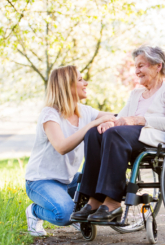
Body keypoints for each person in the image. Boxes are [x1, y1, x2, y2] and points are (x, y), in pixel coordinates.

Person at [71, 46, 165, 222]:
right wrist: (109, 122)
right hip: (130, 135)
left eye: (141, 66)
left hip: (153, 137)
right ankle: (95, 198)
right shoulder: (136, 94)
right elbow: (121, 118)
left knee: (115, 134)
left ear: (158, 66)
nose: (136, 71)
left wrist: (139, 119)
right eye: (136, 67)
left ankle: (113, 201)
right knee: (94, 133)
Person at [25, 65, 115, 236]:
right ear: (67, 86)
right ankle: (35, 211)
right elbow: (62, 147)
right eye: (80, 80)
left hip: (69, 179)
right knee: (64, 215)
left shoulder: (85, 111)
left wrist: (108, 121)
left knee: (102, 192)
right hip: (41, 181)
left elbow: (115, 116)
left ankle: (75, 210)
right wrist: (92, 125)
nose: (86, 83)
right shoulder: (50, 114)